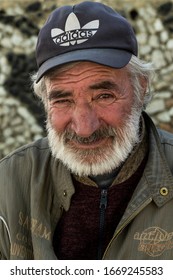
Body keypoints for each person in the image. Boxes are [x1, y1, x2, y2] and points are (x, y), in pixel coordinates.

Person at [0, 1, 173, 260]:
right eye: (62, 100)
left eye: (104, 95)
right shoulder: (8, 183)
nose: (84, 129)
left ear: (141, 88)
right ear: (45, 101)